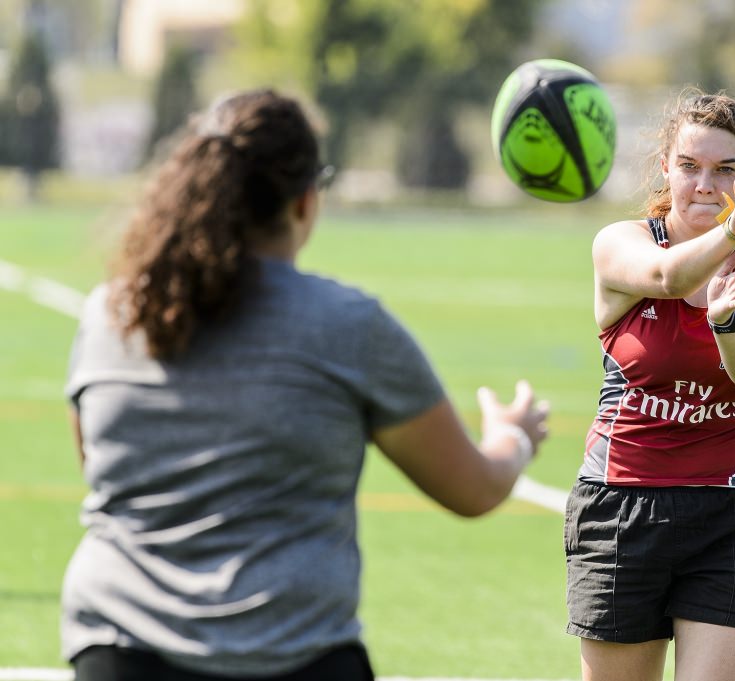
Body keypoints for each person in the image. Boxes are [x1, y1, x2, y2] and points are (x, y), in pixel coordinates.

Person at [62, 89, 549, 681]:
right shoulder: (348, 326)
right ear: (304, 202)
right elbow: (472, 489)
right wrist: (513, 438)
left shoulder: (111, 316)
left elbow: (98, 466)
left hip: (118, 653)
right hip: (293, 658)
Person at [563, 88, 735, 681]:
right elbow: (669, 277)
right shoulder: (620, 245)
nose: (705, 184)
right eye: (690, 167)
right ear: (666, 170)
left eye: (726, 170)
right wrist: (732, 232)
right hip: (620, 505)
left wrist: (726, 321)